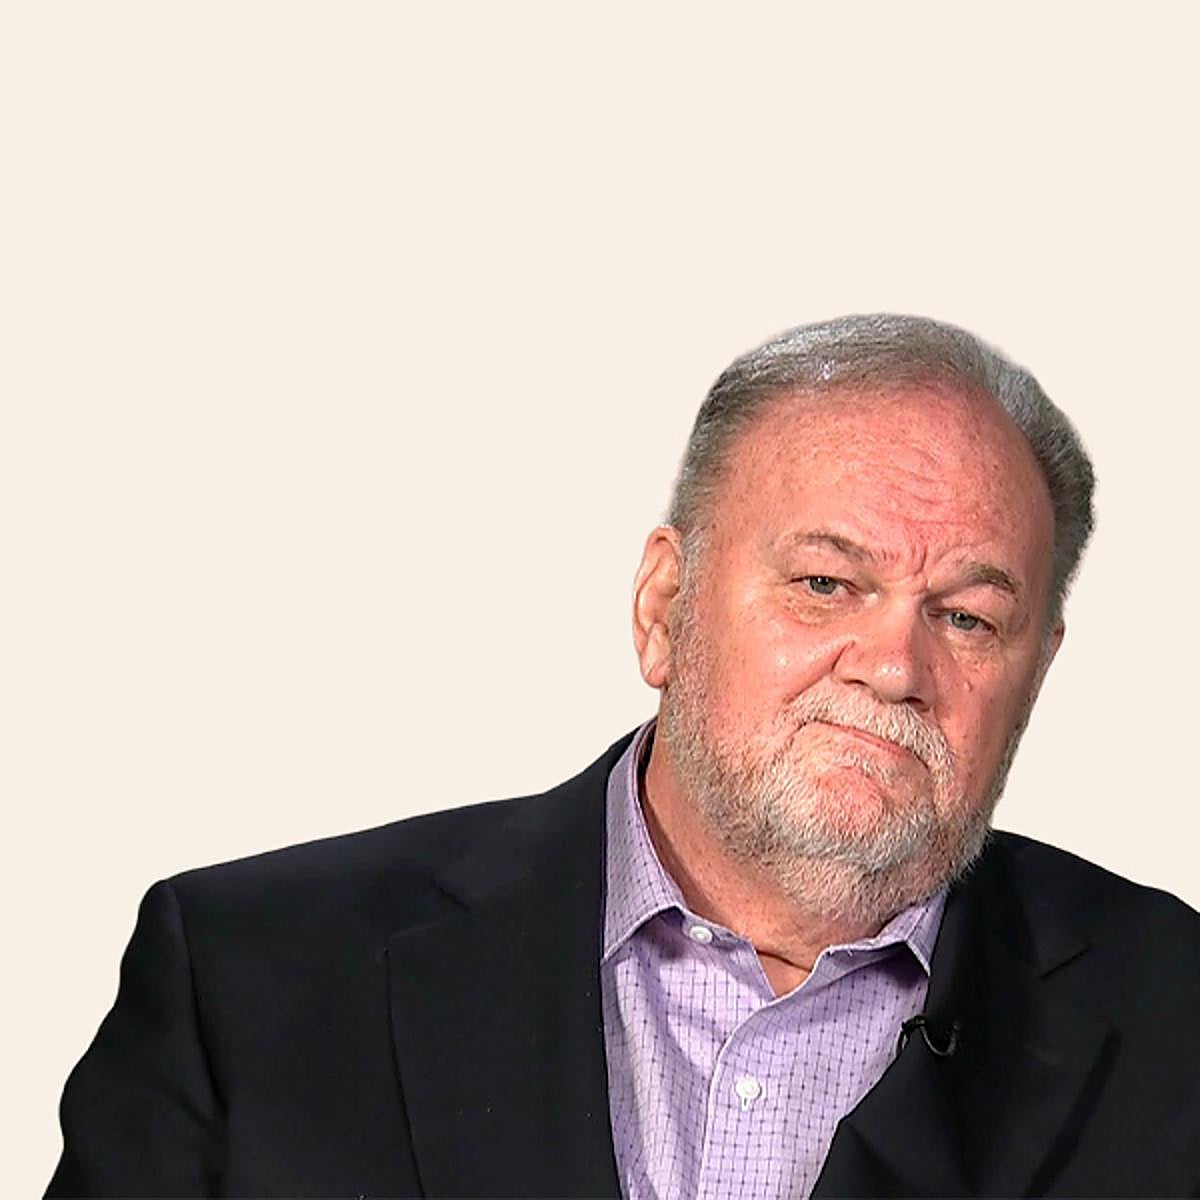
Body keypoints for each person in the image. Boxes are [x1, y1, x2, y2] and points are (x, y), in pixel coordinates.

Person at [48, 315, 1200, 1199]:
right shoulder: (248, 985)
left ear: (1036, 671)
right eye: (824, 582)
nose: (896, 664)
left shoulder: (1177, 1020)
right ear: (663, 606)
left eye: (968, 618)